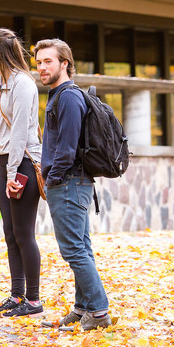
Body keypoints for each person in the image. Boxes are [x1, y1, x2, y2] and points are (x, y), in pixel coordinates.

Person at [33, 38, 112, 331]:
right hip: (70, 182)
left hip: (67, 183)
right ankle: (83, 309)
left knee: (74, 251)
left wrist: (52, 180)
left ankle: (100, 312)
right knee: (81, 247)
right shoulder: (60, 95)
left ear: (64, 63)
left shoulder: (67, 97)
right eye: (39, 62)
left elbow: (66, 148)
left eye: (48, 61)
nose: (42, 67)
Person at [0, 27, 44, 318]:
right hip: (8, 163)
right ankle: (17, 294)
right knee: (10, 233)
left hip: (23, 164)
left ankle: (33, 300)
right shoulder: (0, 83)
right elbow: (0, 129)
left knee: (24, 234)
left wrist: (10, 174)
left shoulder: (23, 84)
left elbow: (20, 132)